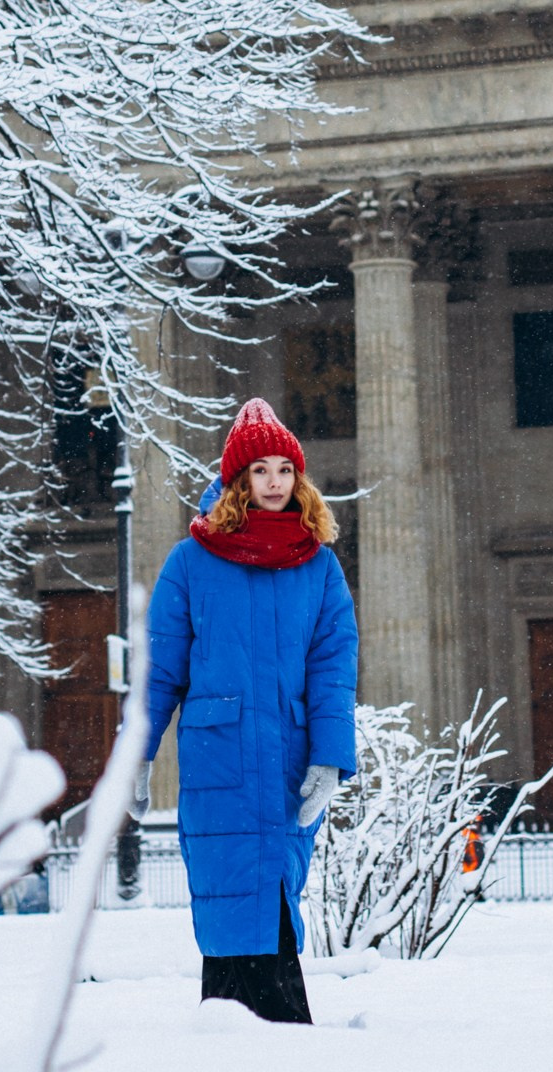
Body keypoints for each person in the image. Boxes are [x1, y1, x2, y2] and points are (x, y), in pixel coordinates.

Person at [144, 399, 358, 1024]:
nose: (273, 482)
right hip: (219, 763)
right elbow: (161, 672)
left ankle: (268, 1038)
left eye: (284, 470)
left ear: (299, 478)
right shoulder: (191, 562)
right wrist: (136, 755)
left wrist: (330, 758)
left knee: (276, 903)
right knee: (230, 908)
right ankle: (239, 1035)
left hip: (289, 763)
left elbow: (333, 667)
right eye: (259, 470)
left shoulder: (318, 565)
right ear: (238, 480)